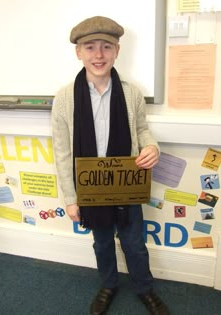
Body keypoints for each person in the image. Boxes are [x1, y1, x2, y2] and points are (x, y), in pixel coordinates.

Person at [51, 15, 170, 315]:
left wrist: (152, 146)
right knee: (102, 244)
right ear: (78, 52)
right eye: (90, 47)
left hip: (126, 185)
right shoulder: (65, 98)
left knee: (134, 244)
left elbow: (141, 129)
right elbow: (62, 151)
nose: (98, 55)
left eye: (106, 47)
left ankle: (144, 288)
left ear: (117, 50)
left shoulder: (131, 93)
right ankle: (108, 284)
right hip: (91, 190)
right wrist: (71, 198)